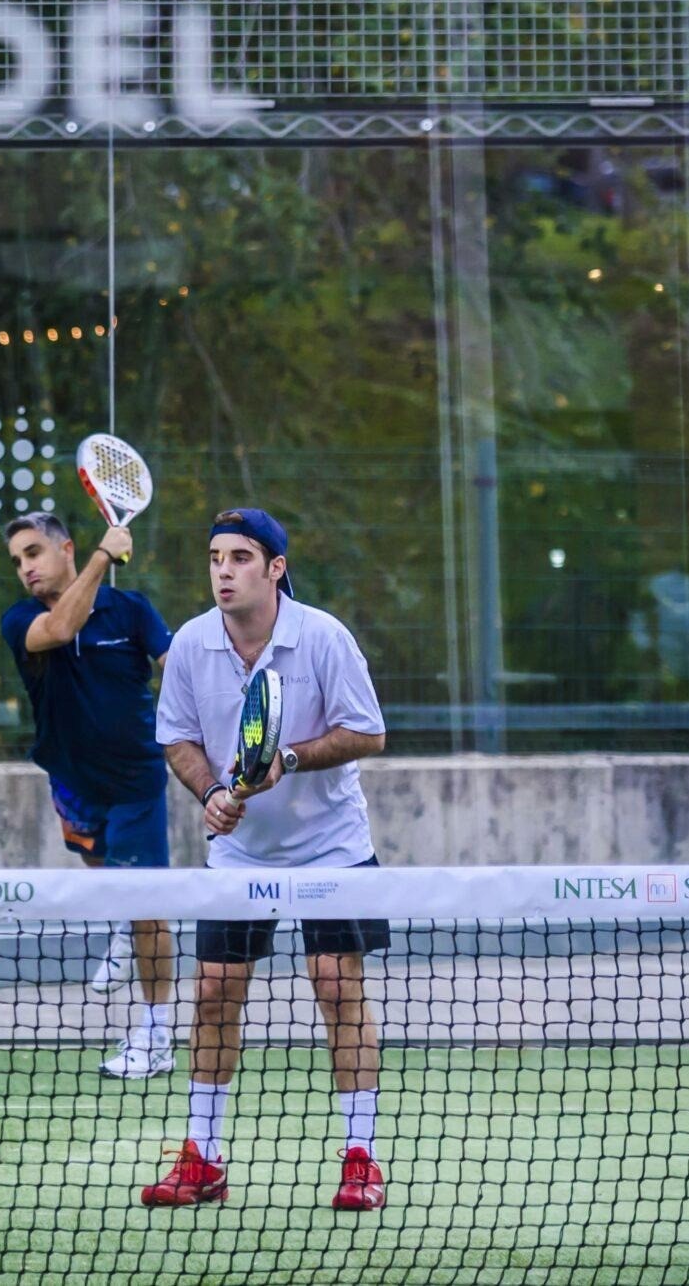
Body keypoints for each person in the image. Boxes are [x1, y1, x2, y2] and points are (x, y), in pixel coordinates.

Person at [143, 508, 389, 1214]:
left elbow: (368, 733)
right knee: (215, 991)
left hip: (332, 847)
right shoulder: (190, 644)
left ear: (275, 567)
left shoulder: (323, 638)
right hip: (239, 854)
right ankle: (203, 1157)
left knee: (336, 988)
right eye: (216, 557)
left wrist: (291, 757)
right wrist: (213, 792)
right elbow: (179, 740)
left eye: (241, 557)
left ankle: (361, 1158)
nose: (224, 570)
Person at [0, 510, 178, 1080]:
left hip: (136, 782)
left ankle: (156, 1035)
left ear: (64, 549)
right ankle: (125, 921)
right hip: (72, 780)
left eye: (33, 553)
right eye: (18, 560)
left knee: (147, 905)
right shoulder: (20, 621)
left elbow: (178, 670)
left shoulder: (132, 611)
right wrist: (104, 556)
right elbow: (60, 631)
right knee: (99, 866)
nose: (25, 568)